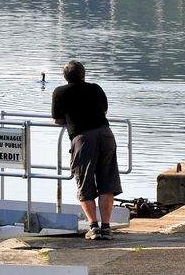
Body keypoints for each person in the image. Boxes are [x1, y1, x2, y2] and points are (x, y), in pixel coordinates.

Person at [51, 60, 121, 240]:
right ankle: (106, 228)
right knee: (107, 184)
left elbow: (57, 119)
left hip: (83, 139)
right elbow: (104, 112)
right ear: (84, 74)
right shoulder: (95, 88)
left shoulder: (59, 92)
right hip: (106, 135)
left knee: (85, 184)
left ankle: (94, 228)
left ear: (65, 76)